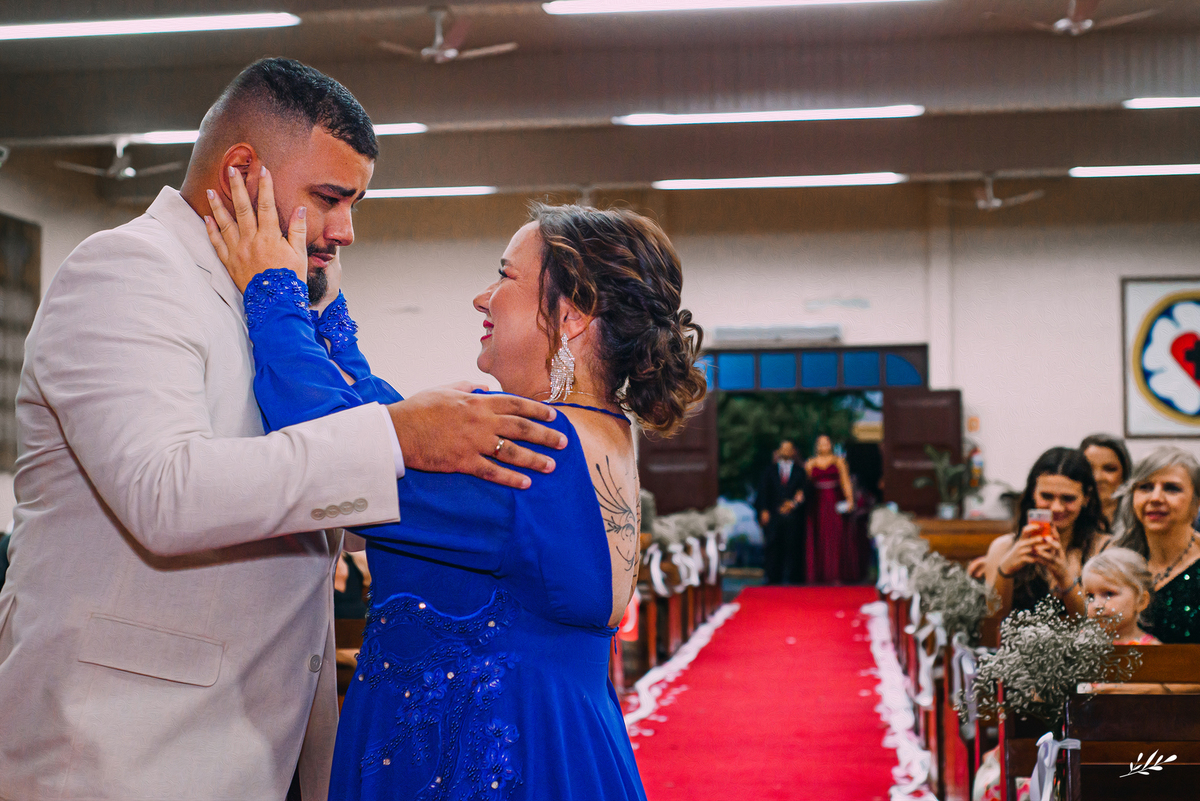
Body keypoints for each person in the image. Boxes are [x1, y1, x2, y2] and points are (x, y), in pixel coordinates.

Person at [0, 58, 565, 801]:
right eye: (329, 198)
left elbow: (314, 504)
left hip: (260, 745)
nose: (346, 230)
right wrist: (396, 436)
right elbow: (165, 495)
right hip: (123, 754)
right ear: (241, 170)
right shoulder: (125, 271)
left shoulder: (271, 299)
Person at [205, 179, 706, 799]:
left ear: (571, 314)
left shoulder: (532, 453)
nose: (482, 296)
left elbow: (331, 440)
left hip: (495, 765)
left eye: (505, 277)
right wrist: (330, 313)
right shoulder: (585, 432)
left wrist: (272, 292)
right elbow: (395, 431)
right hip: (561, 745)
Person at [982, 447, 1109, 621]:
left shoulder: (1105, 549)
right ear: (1033, 493)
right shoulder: (1003, 548)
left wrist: (1063, 575)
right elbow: (994, 619)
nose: (1056, 507)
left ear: (1086, 498)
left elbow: (1098, 624)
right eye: (1047, 496)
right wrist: (1005, 570)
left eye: (1068, 498)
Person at [1114, 447, 1200, 643]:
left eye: (1171, 488)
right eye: (1145, 487)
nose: (1155, 498)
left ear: (1196, 503)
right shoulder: (1118, 559)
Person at [804, 434, 856, 584]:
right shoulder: (810, 463)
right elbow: (805, 484)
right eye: (820, 444)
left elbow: (845, 481)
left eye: (826, 444)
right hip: (817, 504)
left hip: (834, 502)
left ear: (830, 445)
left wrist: (850, 499)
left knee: (835, 536)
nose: (823, 447)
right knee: (818, 536)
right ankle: (817, 574)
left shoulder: (838, 461)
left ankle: (836, 574)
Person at [1082, 548, 1159, 645]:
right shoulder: (1082, 643)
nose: (1096, 605)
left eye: (1109, 594)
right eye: (1090, 597)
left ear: (1141, 601)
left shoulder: (1152, 649)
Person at [756, 440, 808, 584]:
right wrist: (763, 510)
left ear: (793, 452)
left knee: (793, 547)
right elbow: (763, 492)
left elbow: (804, 492)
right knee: (773, 547)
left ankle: (794, 579)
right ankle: (773, 578)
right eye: (783, 448)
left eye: (789, 449)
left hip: (793, 517)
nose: (785, 451)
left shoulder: (800, 472)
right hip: (774, 516)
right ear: (778, 451)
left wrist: (793, 504)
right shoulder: (769, 471)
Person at [1080, 433, 1132, 530]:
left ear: (1125, 473)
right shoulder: (1068, 519)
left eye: (1109, 469)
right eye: (1089, 469)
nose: (1097, 478)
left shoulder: (1140, 520)